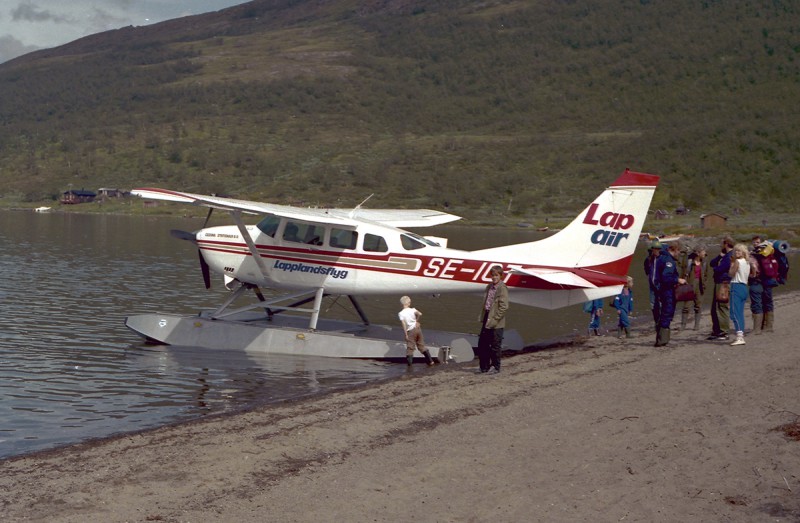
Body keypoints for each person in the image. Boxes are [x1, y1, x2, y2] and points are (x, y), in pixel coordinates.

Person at [477, 265, 508, 374]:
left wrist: (495, 320)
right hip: (487, 316)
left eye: (496, 275)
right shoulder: (489, 286)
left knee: (495, 345)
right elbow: (486, 303)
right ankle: (484, 366)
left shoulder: (502, 288)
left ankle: (495, 367)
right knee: (483, 344)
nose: (494, 277)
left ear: (500, 276)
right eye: (493, 275)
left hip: (496, 321)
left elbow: (504, 307)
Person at [653, 242, 685, 347]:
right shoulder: (668, 261)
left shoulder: (661, 258)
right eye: (678, 251)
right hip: (667, 291)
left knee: (664, 313)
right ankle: (662, 339)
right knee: (667, 313)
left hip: (662, 290)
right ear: (674, 250)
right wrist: (677, 279)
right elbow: (666, 277)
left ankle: (662, 338)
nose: (679, 253)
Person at [749, 237, 779, 334]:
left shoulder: (758, 254)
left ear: (762, 242)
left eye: (757, 242)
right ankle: (766, 326)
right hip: (765, 281)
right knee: (765, 302)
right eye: (754, 242)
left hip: (760, 281)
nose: (756, 244)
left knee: (760, 302)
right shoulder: (768, 253)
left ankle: (760, 328)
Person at [707, 236, 734, 341]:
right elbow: (712, 263)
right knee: (714, 307)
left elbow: (720, 269)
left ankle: (724, 331)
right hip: (720, 282)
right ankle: (717, 330)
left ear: (726, 244)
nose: (720, 245)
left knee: (722, 307)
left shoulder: (730, 256)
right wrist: (719, 256)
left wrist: (716, 268)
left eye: (721, 243)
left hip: (724, 283)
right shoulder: (725, 255)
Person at [398, 296, 434, 366]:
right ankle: (430, 361)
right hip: (418, 329)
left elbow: (404, 324)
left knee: (410, 348)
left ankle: (409, 366)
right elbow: (420, 314)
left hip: (410, 331)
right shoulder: (413, 310)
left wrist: (406, 334)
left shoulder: (401, 313)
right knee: (421, 346)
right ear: (408, 303)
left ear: (402, 304)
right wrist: (416, 321)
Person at [678, 247, 708, 330]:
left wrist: (704, 284)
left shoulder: (704, 262)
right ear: (698, 253)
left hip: (700, 285)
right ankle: (683, 325)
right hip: (690, 284)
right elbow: (681, 267)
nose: (705, 254)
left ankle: (696, 325)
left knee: (698, 305)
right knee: (686, 305)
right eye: (703, 252)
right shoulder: (689, 262)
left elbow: (706, 275)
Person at [728, 243, 751, 346]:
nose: (737, 252)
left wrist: (732, 264)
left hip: (736, 286)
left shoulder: (737, 261)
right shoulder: (747, 262)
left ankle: (740, 336)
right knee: (740, 312)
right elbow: (752, 273)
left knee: (734, 313)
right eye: (736, 251)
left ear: (743, 252)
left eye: (739, 251)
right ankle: (740, 333)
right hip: (744, 286)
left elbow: (731, 273)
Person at [643, 241, 663, 327]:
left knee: (660, 303)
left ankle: (660, 321)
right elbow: (647, 271)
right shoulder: (648, 260)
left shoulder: (661, 259)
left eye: (658, 249)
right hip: (652, 284)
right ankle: (657, 321)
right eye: (654, 249)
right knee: (653, 304)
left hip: (660, 284)